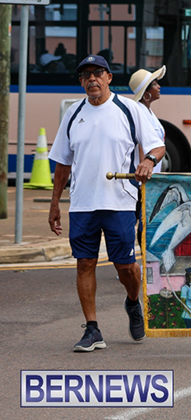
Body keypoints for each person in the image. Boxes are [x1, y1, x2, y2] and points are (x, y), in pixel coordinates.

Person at [48, 54, 165, 352]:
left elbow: (157, 146)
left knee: (125, 266)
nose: (92, 79)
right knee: (84, 263)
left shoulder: (129, 109)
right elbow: (62, 162)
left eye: (97, 73)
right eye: (85, 75)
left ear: (109, 77)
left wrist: (148, 161)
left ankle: (132, 301)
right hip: (83, 204)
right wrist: (54, 204)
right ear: (81, 82)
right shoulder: (73, 113)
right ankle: (92, 329)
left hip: (121, 202)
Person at [129, 66, 167, 172]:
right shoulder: (140, 111)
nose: (159, 87)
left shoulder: (147, 110)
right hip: (146, 179)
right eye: (154, 84)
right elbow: (141, 145)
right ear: (146, 93)